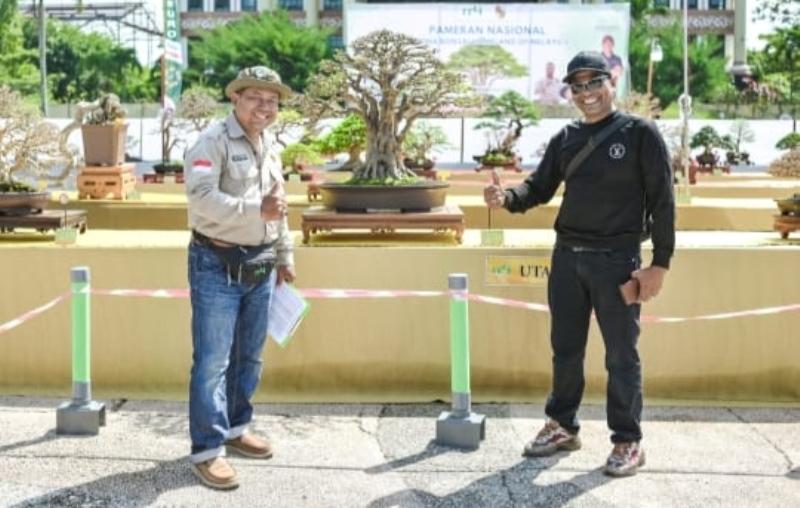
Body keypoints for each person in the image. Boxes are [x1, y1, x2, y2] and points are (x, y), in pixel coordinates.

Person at [483, 51, 675, 477]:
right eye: (578, 86)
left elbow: (664, 201)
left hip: (617, 262)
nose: (587, 93)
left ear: (611, 83)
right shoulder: (566, 137)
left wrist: (659, 264)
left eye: (594, 83)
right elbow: (539, 187)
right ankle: (562, 425)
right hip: (568, 258)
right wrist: (507, 198)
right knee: (565, 350)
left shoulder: (640, 133)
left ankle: (628, 441)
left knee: (621, 356)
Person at [184, 65, 296, 490]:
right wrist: (256, 214)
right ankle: (207, 450)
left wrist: (284, 253)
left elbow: (279, 203)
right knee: (213, 361)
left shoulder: (270, 145)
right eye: (255, 98)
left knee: (250, 354)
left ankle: (236, 427)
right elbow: (200, 198)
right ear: (235, 98)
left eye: (272, 101)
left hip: (262, 262)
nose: (264, 107)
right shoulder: (210, 142)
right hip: (215, 261)